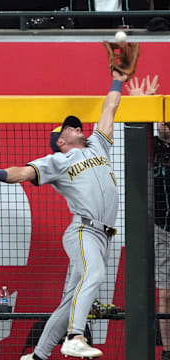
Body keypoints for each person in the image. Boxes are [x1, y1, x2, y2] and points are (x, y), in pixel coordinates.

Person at [0, 69, 128, 359]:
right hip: (84, 231)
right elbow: (22, 172)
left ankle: (38, 356)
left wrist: (118, 80)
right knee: (94, 274)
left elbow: (109, 108)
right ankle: (74, 336)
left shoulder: (98, 146)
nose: (75, 128)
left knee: (69, 300)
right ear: (60, 140)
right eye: (69, 128)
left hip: (102, 235)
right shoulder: (57, 160)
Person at [126, 75, 170, 360]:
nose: (166, 126)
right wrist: (144, 104)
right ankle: (168, 351)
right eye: (163, 121)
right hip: (161, 229)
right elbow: (137, 130)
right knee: (165, 294)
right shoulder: (152, 148)